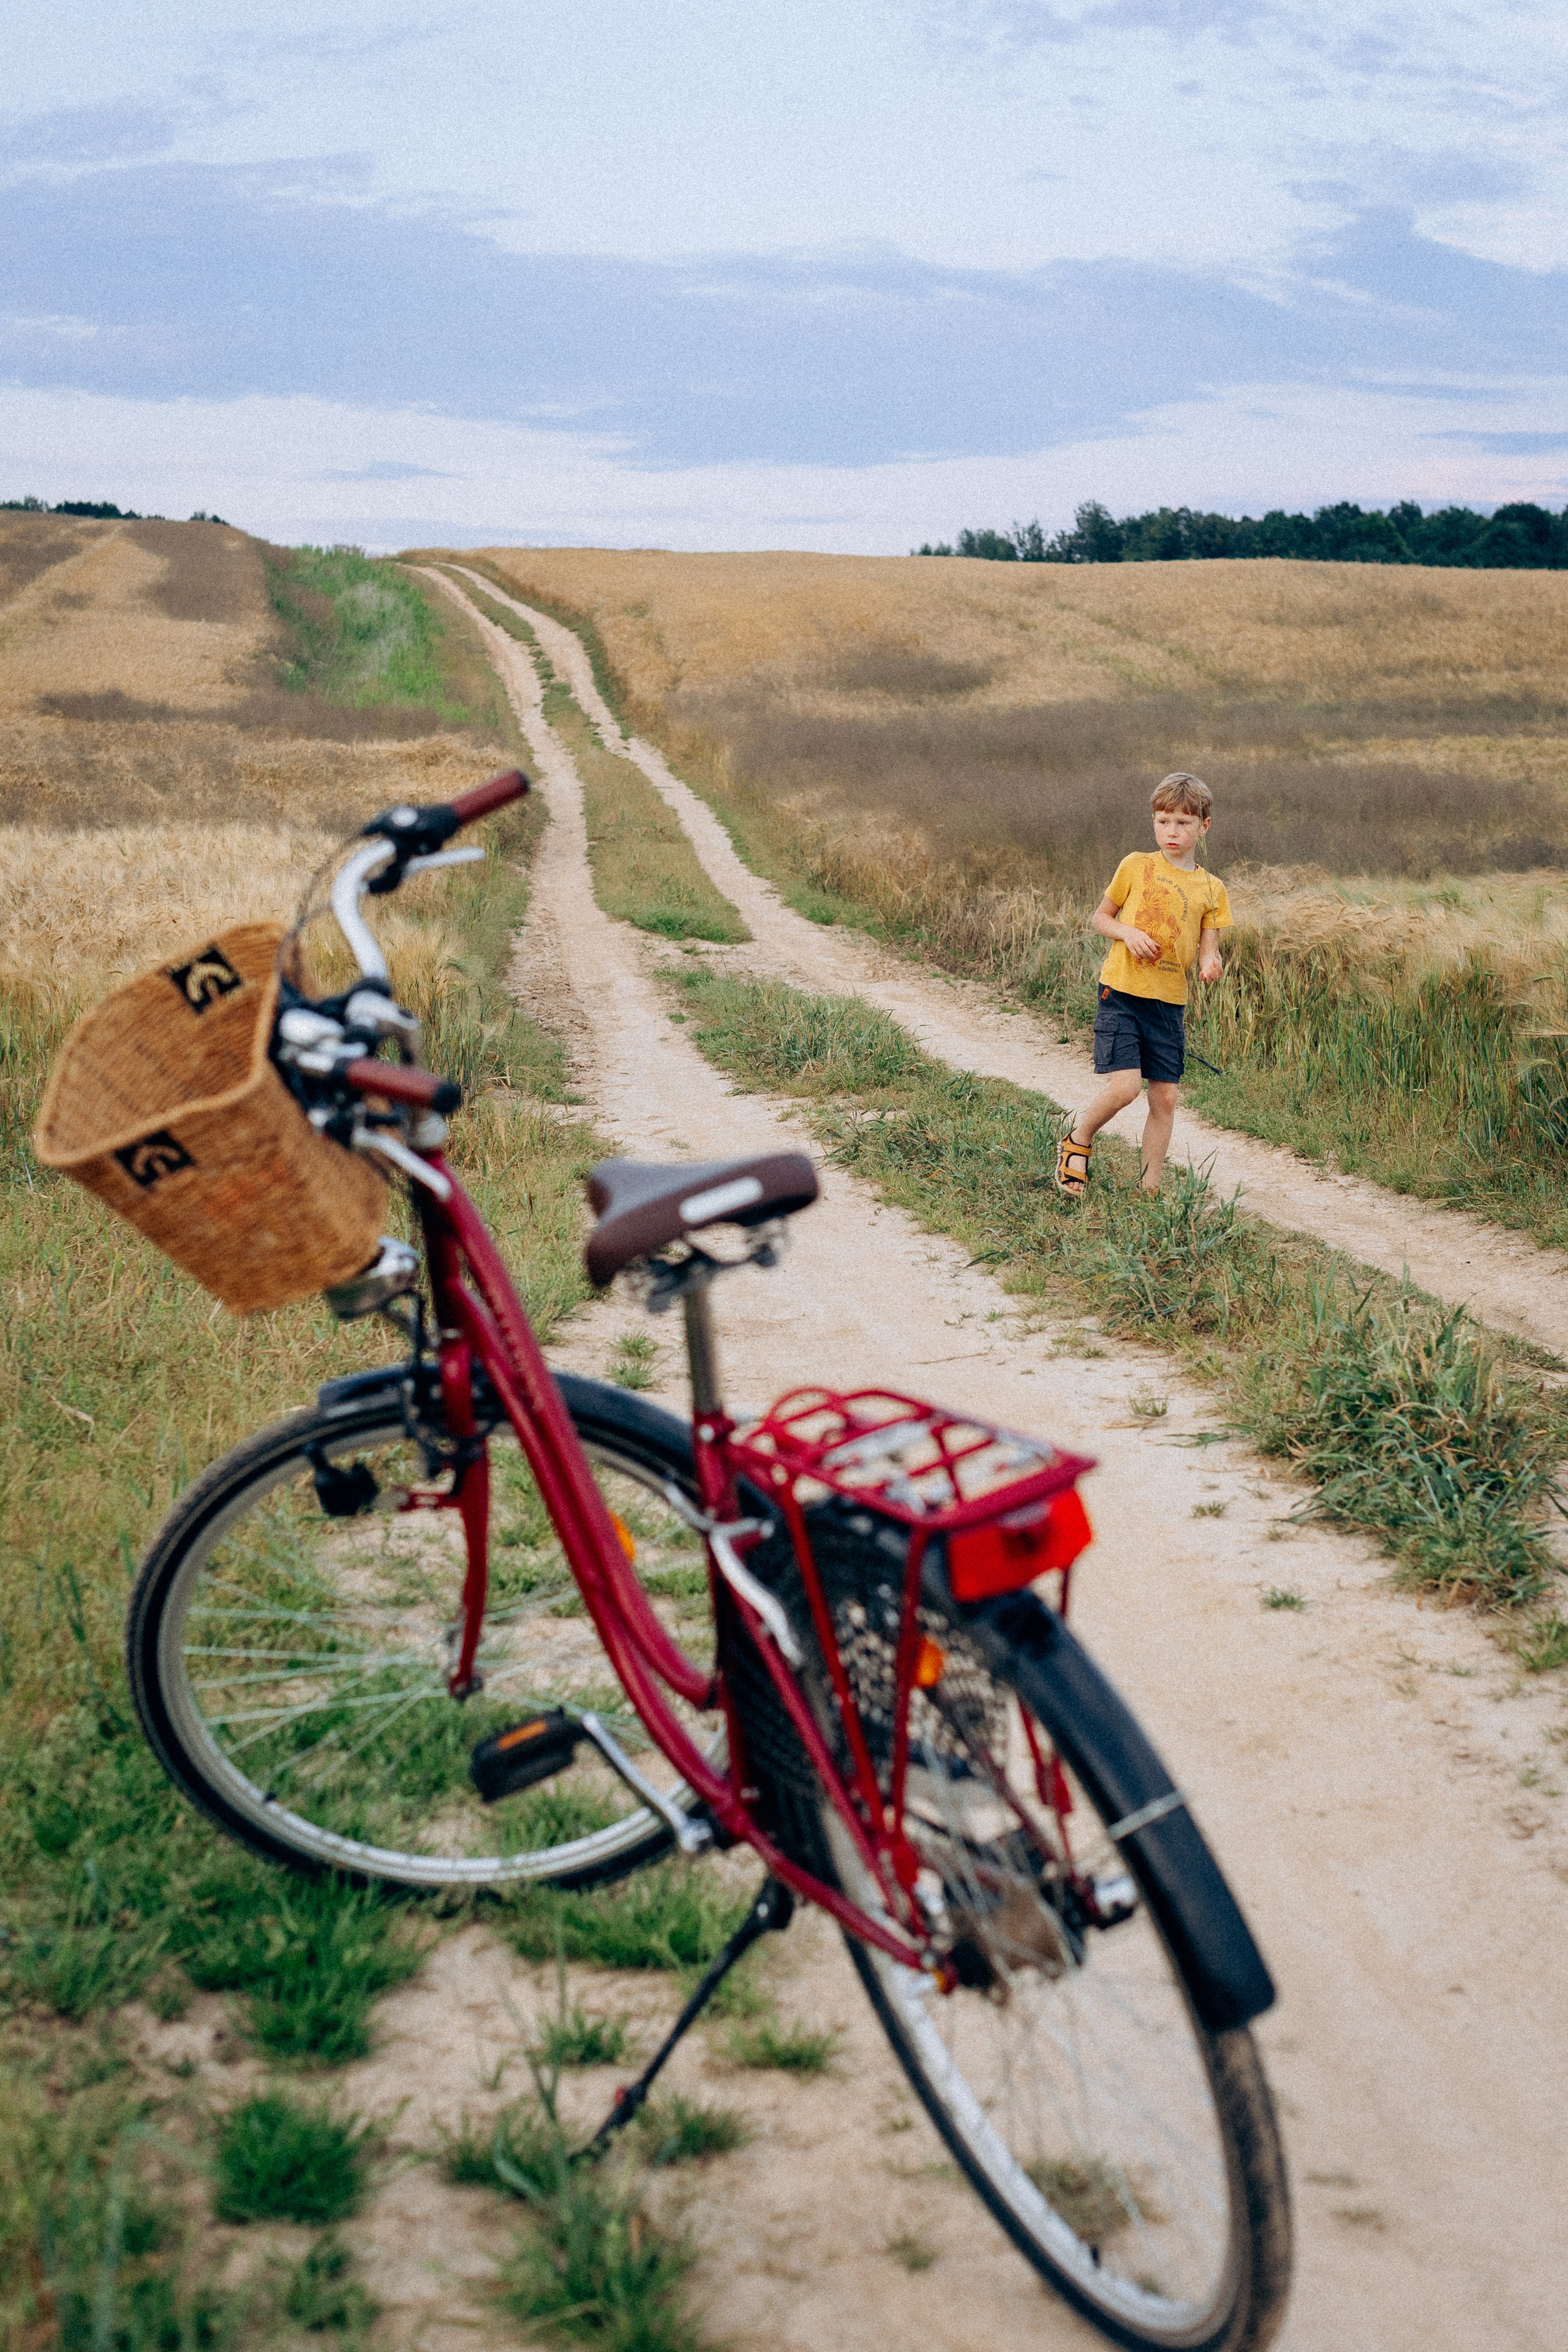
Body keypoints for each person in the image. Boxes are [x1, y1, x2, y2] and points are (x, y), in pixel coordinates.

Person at [1054, 772, 1230, 1199]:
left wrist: (1210, 965)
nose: (1172, 831)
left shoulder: (1212, 889)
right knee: (1126, 1088)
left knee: (1165, 1099)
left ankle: (1149, 1189)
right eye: (1164, 821)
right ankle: (1077, 1141)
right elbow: (1100, 917)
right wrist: (1127, 933)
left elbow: (1211, 948)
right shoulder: (1135, 866)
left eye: (1184, 823)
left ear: (1204, 826)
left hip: (1169, 1004)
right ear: (1153, 821)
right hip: (1122, 993)